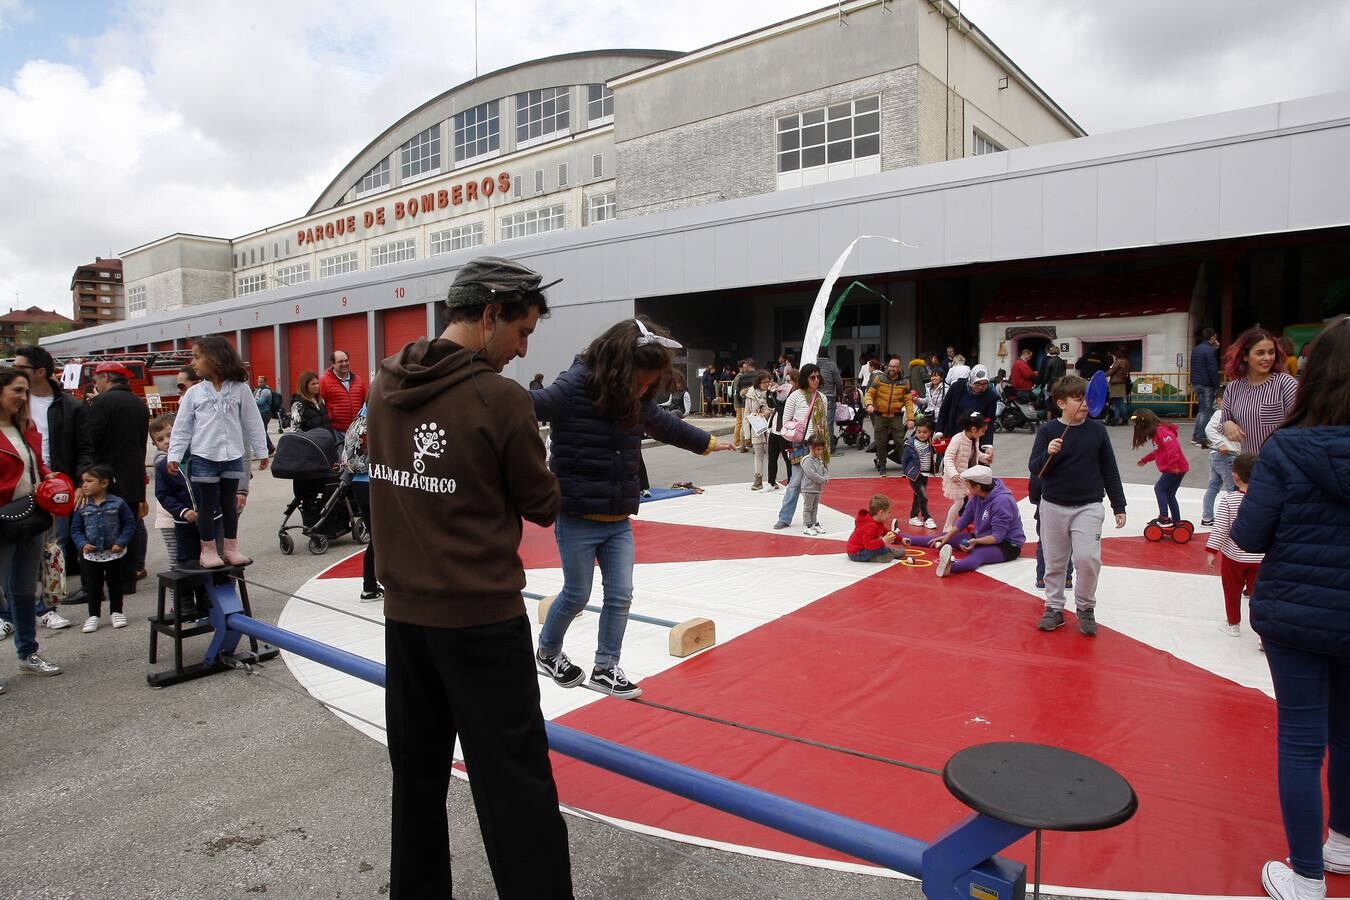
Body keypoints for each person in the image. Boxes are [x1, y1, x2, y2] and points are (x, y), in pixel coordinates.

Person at [366, 256, 572, 898]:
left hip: (406, 618)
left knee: (417, 781)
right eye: (522, 331)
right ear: (490, 316)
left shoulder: (382, 384)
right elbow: (542, 503)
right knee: (514, 784)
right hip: (480, 619)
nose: (523, 348)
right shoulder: (499, 397)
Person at [533, 317, 731, 700]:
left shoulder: (636, 400)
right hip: (576, 515)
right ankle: (547, 651)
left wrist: (708, 442)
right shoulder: (575, 386)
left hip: (618, 518)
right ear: (618, 369)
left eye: (648, 386)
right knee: (576, 594)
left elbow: (665, 425)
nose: (643, 391)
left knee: (621, 595)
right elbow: (531, 404)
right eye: (639, 382)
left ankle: (606, 666)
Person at [1230, 316, 1350, 900]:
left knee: (1303, 739)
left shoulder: (1288, 449)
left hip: (1299, 613)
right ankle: (1343, 842)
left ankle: (1305, 875)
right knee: (1349, 733)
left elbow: (1250, 536)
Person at [1028, 375, 1127, 636]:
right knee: (1055, 562)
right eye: (1078, 398)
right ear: (1061, 403)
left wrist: (1119, 505)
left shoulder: (1097, 431)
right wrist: (1048, 453)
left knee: (1087, 559)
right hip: (1052, 506)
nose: (1085, 403)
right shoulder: (1049, 431)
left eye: (1087, 397)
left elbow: (1110, 468)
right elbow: (1035, 469)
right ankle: (1054, 608)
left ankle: (1085, 608)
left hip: (1089, 506)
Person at [167, 336, 269, 569]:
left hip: (232, 456)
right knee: (207, 505)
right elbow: (182, 427)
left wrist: (262, 451)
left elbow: (252, 421)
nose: (193, 363)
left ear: (215, 359)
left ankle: (231, 548)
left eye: (196, 357)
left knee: (230, 504)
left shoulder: (241, 390)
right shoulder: (194, 393)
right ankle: (208, 550)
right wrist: (174, 455)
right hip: (203, 457)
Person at [7, 345, 91, 630]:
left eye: (22, 368)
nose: (16, 374)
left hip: (55, 488)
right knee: (11, 555)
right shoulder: (13, 405)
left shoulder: (71, 406)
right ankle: (8, 615)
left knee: (52, 550)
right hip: (16, 491)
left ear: (40, 372)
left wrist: (79, 482)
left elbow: (84, 448)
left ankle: (45, 607)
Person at [0, 366, 63, 686]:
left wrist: (49, 477)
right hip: (2, 520)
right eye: (16, 390)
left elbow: (36, 465)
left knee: (24, 591)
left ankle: (28, 654)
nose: (23, 397)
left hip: (31, 517)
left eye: (25, 391)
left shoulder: (26, 426)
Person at [85, 361, 149, 595]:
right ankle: (127, 578)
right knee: (129, 526)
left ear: (107, 379)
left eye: (97, 379)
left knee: (104, 527)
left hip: (106, 477)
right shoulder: (138, 404)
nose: (96, 383)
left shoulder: (102, 403)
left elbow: (91, 440)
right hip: (132, 476)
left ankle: (105, 579)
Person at [902, 465, 1025, 578]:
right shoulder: (977, 495)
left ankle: (949, 568)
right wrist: (948, 536)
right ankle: (904, 538)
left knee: (979, 555)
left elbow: (997, 537)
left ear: (977, 487)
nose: (964, 486)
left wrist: (976, 542)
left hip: (1007, 545)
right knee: (943, 537)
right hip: (983, 536)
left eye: (967, 484)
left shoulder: (1002, 502)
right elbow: (965, 519)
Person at [70, 464, 136, 634]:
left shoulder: (118, 503)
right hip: (91, 555)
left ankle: (117, 611)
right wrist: (82, 544)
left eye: (89, 481)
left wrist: (121, 542)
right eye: (82, 481)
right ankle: (93, 615)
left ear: (104, 483)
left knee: (115, 583)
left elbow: (129, 524)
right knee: (93, 585)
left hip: (114, 552)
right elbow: (75, 529)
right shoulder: (82, 505)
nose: (84, 485)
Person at [1203, 452, 1261, 637]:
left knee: (1232, 591)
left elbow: (1220, 529)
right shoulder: (1267, 501)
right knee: (1259, 596)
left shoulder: (1229, 500)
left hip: (1234, 557)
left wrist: (1212, 550)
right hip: (1260, 558)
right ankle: (1263, 634)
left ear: (1235, 475)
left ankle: (1233, 625)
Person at [1221, 326, 1299, 456]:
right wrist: (1228, 424)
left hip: (1282, 466)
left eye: (1271, 352)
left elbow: (1301, 426)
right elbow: (1224, 421)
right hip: (1249, 467)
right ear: (1245, 356)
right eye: (1260, 353)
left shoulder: (1286, 384)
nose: (1268, 358)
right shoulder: (1233, 388)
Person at [773, 365, 828, 530]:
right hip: (800, 445)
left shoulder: (822, 398)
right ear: (805, 378)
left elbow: (824, 423)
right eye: (812, 377)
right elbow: (786, 423)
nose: (816, 380)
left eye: (818, 376)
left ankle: (811, 518)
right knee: (795, 482)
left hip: (816, 447)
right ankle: (784, 518)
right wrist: (798, 431)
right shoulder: (794, 397)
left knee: (814, 484)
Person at [341, 403, 381, 602]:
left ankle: (370, 586)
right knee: (383, 538)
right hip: (376, 483)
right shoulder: (379, 419)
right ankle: (372, 585)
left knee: (376, 537)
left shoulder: (356, 422)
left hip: (358, 482)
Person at [1133, 409, 1190, 527]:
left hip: (1174, 468)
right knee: (1169, 494)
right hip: (1177, 467)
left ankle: (1164, 517)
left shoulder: (1161, 431)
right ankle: (1176, 520)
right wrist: (1145, 460)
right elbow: (1159, 452)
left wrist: (1173, 465)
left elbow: (1172, 447)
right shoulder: (1158, 432)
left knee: (1159, 489)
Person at [940, 411, 993, 533]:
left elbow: (975, 454)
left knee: (971, 500)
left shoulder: (975, 439)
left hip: (967, 475)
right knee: (959, 502)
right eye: (982, 431)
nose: (983, 434)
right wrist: (953, 474)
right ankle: (947, 526)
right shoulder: (957, 439)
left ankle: (967, 522)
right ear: (974, 429)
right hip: (957, 476)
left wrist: (985, 457)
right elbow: (948, 457)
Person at [865, 357, 912, 476]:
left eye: (895, 366)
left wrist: (911, 418)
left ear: (899, 368)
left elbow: (908, 401)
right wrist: (869, 404)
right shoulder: (879, 378)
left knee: (900, 442)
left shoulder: (904, 382)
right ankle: (882, 466)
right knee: (881, 442)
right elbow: (869, 393)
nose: (892, 368)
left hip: (896, 416)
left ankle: (905, 466)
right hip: (880, 416)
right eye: (890, 366)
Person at [1201, 386, 1239, 526]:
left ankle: (1207, 517)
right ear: (1219, 401)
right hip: (1225, 456)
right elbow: (1208, 429)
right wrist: (1220, 444)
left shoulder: (1230, 414)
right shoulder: (1220, 413)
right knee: (1233, 489)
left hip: (1220, 456)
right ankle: (1234, 519)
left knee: (1213, 487)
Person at [936, 365, 999, 446]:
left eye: (984, 384)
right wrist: (939, 430)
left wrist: (987, 444)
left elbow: (989, 421)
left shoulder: (990, 396)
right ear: (971, 380)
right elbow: (944, 409)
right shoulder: (957, 387)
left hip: (974, 437)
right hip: (954, 433)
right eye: (977, 383)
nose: (980, 387)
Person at [318, 349, 367, 436]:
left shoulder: (358, 380)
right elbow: (319, 406)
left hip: (356, 430)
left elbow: (365, 404)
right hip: (336, 431)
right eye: (340, 362)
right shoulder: (324, 381)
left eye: (346, 360)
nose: (344, 364)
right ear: (333, 364)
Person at [900, 419, 938, 529]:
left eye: (925, 432)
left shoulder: (929, 443)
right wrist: (905, 472)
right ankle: (927, 517)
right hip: (915, 475)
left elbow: (935, 451)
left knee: (918, 496)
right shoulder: (911, 444)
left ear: (930, 432)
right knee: (923, 497)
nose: (921, 434)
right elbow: (904, 459)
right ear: (915, 431)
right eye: (919, 431)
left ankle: (913, 516)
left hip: (926, 474)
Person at [846, 494, 906, 563]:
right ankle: (876, 558)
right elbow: (868, 545)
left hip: (864, 548)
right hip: (856, 553)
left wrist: (901, 539)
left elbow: (885, 531)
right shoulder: (870, 526)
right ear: (881, 512)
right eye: (889, 512)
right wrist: (883, 540)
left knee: (879, 546)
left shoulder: (877, 521)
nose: (890, 515)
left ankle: (889, 551)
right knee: (878, 546)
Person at [765, 370, 796, 492]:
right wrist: (770, 392)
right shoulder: (783, 392)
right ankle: (771, 482)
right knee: (772, 457)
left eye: (789, 380)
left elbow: (781, 409)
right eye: (786, 380)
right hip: (774, 429)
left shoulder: (794, 395)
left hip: (786, 431)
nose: (786, 382)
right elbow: (772, 405)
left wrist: (774, 395)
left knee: (788, 459)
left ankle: (790, 483)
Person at [1190, 327, 1221, 446]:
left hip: (1196, 383)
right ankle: (1201, 437)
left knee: (1201, 411)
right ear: (1212, 337)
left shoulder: (1196, 349)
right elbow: (1212, 369)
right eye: (1215, 337)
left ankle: (1196, 435)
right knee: (1206, 412)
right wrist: (1217, 385)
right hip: (1206, 384)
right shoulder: (1210, 351)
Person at [743, 370, 772, 490]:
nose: (766, 384)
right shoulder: (750, 395)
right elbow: (746, 415)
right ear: (758, 383)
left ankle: (772, 480)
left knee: (772, 455)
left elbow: (777, 408)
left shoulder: (773, 393)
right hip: (757, 427)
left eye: (768, 381)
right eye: (764, 382)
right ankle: (758, 479)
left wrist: (769, 412)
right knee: (758, 455)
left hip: (771, 427)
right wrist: (747, 435)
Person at [799, 435, 830, 535]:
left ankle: (814, 523)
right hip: (808, 488)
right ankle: (807, 525)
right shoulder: (807, 460)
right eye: (818, 449)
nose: (820, 452)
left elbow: (824, 470)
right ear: (811, 448)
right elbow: (811, 474)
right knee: (808, 507)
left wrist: (826, 477)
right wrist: (822, 480)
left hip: (817, 488)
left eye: (821, 449)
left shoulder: (819, 459)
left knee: (815, 507)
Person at [814, 349, 843, 450]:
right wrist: (841, 395)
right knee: (828, 423)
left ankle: (817, 446)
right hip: (829, 396)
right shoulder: (832, 365)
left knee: (816, 422)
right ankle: (829, 447)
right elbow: (838, 382)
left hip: (815, 396)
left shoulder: (814, 365)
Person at [731, 359, 757, 451]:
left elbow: (737, 392)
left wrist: (740, 401)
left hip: (743, 403)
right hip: (755, 403)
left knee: (743, 423)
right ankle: (742, 442)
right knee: (753, 423)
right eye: (743, 366)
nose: (744, 368)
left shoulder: (742, 377)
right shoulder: (758, 376)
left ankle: (742, 443)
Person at [1106, 348, 1131, 425]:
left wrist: (1100, 375)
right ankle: (1121, 419)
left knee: (1118, 403)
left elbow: (1111, 371)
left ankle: (1118, 419)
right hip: (1121, 383)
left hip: (1116, 384)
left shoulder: (1119, 362)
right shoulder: (1126, 362)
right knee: (1118, 402)